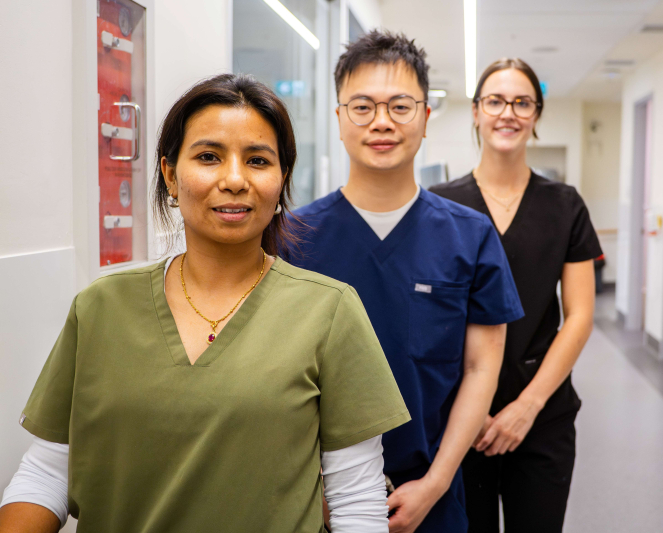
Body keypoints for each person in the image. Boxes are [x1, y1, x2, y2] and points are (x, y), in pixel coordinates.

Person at [0, 74, 410, 533]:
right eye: (209, 157)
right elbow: (48, 472)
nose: (234, 180)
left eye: (257, 160)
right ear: (171, 175)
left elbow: (356, 502)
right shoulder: (100, 308)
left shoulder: (330, 311)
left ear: (281, 181)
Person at [289, 31, 524, 533]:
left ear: (424, 117)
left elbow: (482, 369)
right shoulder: (293, 238)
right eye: (362, 107)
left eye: (400, 106)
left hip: (430, 497)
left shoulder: (471, 236)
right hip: (313, 499)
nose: (381, 122)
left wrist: (435, 485)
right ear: (337, 119)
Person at [430, 58, 601, 533]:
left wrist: (527, 407)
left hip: (542, 414)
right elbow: (431, 320)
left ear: (536, 114)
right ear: (476, 112)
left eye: (522, 102)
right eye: (496, 101)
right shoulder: (441, 206)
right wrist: (471, 412)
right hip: (459, 417)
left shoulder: (565, 205)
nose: (508, 112)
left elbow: (580, 316)